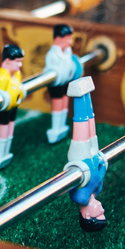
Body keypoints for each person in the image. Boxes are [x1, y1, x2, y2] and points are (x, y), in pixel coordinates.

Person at [64, 77, 107, 232]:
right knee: (90, 122)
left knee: (81, 124)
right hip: (94, 157)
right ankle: (86, 93)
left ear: (87, 215)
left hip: (81, 158)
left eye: (99, 214)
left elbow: (74, 186)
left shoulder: (80, 197)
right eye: (103, 214)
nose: (102, 211)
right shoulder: (96, 192)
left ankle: (77, 94)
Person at [44, 24, 82, 143]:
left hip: (66, 81)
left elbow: (69, 64)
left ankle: (62, 127)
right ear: (59, 38)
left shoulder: (68, 51)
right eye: (68, 39)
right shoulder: (52, 54)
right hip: (56, 84)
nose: (70, 42)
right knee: (58, 104)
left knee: (65, 102)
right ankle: (55, 128)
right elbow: (53, 69)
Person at [0, 44, 24, 170]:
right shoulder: (1, 77)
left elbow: (19, 86)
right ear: (8, 61)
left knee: (10, 129)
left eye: (21, 61)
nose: (20, 65)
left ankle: (6, 153)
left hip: (14, 105)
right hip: (3, 109)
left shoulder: (17, 74)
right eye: (17, 61)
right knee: (3, 131)